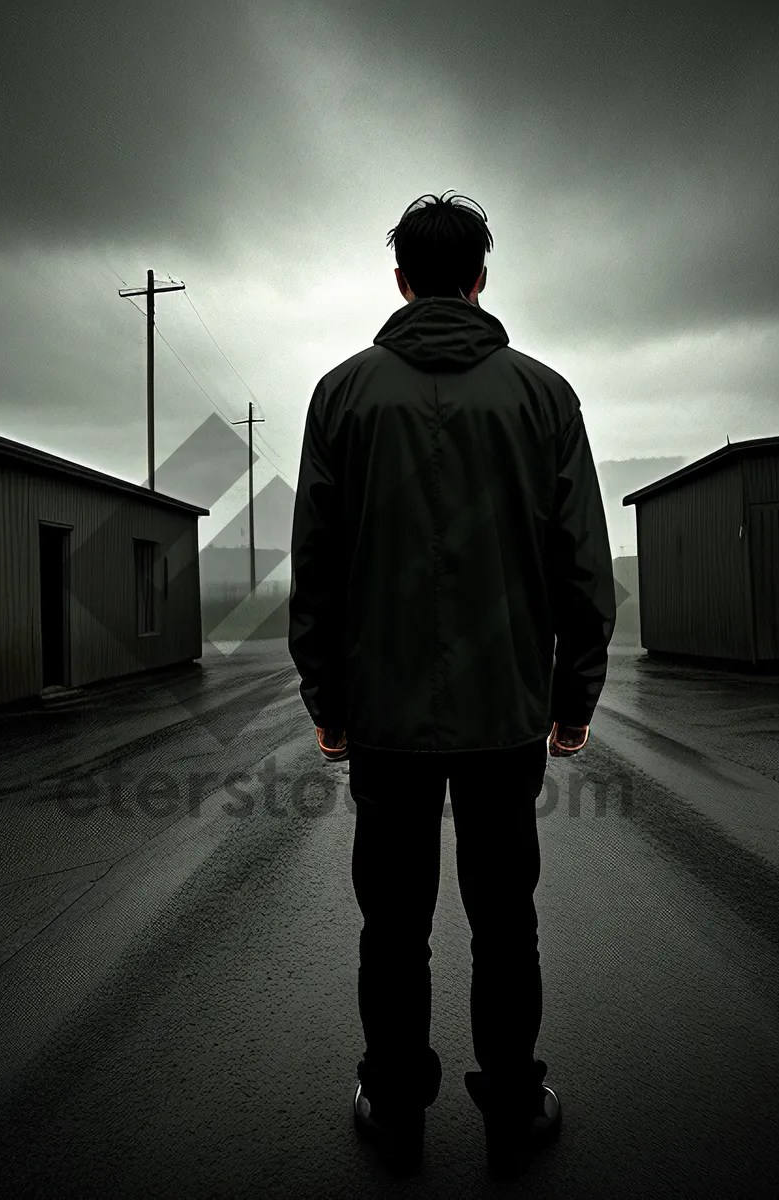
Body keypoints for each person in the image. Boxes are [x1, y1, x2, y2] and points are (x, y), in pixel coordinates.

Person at [288, 191, 616, 1178]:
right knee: (504, 921)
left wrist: (329, 707)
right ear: (481, 279)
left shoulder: (342, 395)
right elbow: (583, 565)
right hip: (505, 718)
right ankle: (513, 1102)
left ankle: (395, 1106)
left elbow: (319, 567)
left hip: (384, 720)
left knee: (393, 927)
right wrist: (573, 702)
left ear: (401, 280)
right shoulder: (544, 396)